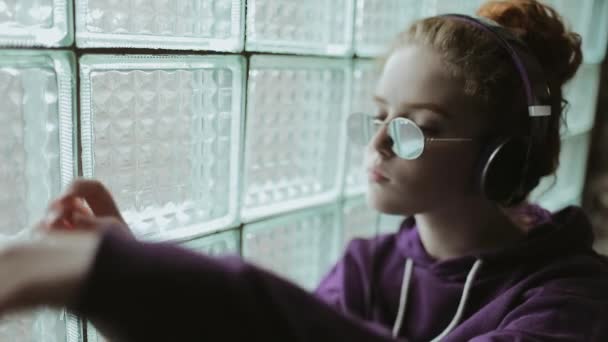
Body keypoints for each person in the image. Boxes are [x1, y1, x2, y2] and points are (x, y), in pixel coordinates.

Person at [1, 0, 607, 341]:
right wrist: (131, 297)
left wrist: (124, 275)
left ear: (505, 155)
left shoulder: (571, 295)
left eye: (412, 125)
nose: (376, 143)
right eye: (375, 115)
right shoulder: (366, 269)